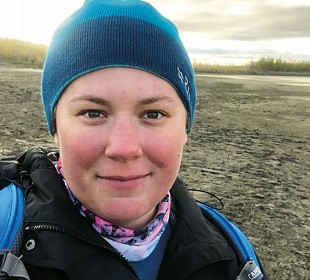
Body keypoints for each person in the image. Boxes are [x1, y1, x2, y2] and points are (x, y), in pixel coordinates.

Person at [11, 0, 269, 279]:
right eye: (93, 112)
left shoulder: (233, 257)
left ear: (185, 129)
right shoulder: (7, 238)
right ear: (56, 128)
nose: (124, 148)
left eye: (153, 113)